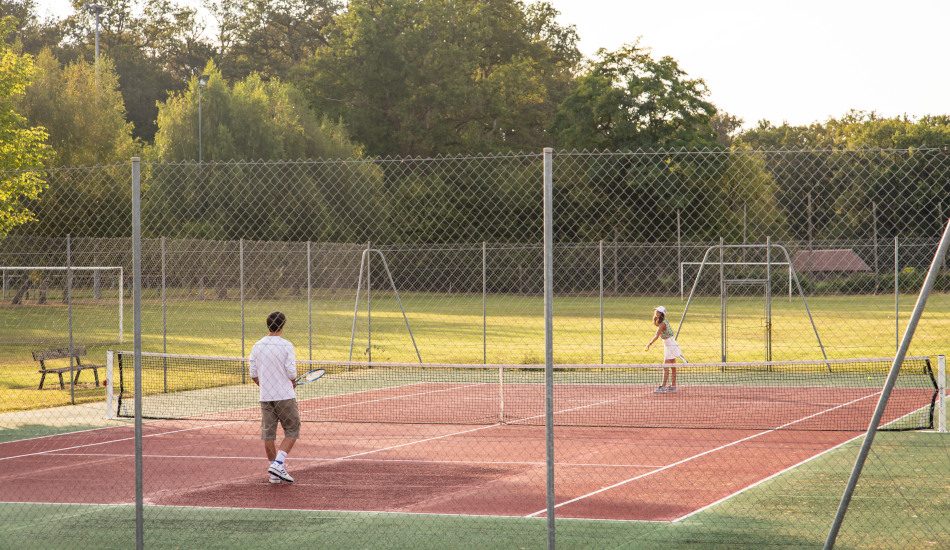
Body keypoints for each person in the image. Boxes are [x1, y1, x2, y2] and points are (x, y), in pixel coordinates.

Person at [249, 311, 300, 484]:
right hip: (285, 396)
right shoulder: (286, 345)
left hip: (265, 396)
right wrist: (292, 382)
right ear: (283, 325)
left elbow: (253, 374)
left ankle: (273, 472)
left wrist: (265, 386)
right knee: (293, 429)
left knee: (268, 434)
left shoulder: (258, 345)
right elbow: (291, 372)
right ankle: (278, 464)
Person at [644, 306, 685, 393]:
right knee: (673, 366)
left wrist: (649, 344)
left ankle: (663, 387)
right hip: (669, 344)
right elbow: (655, 323)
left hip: (670, 344)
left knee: (666, 366)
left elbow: (657, 335)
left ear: (662, 314)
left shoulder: (662, 324)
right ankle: (673, 386)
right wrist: (655, 317)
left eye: (658, 312)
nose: (656, 312)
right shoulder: (662, 321)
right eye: (656, 311)